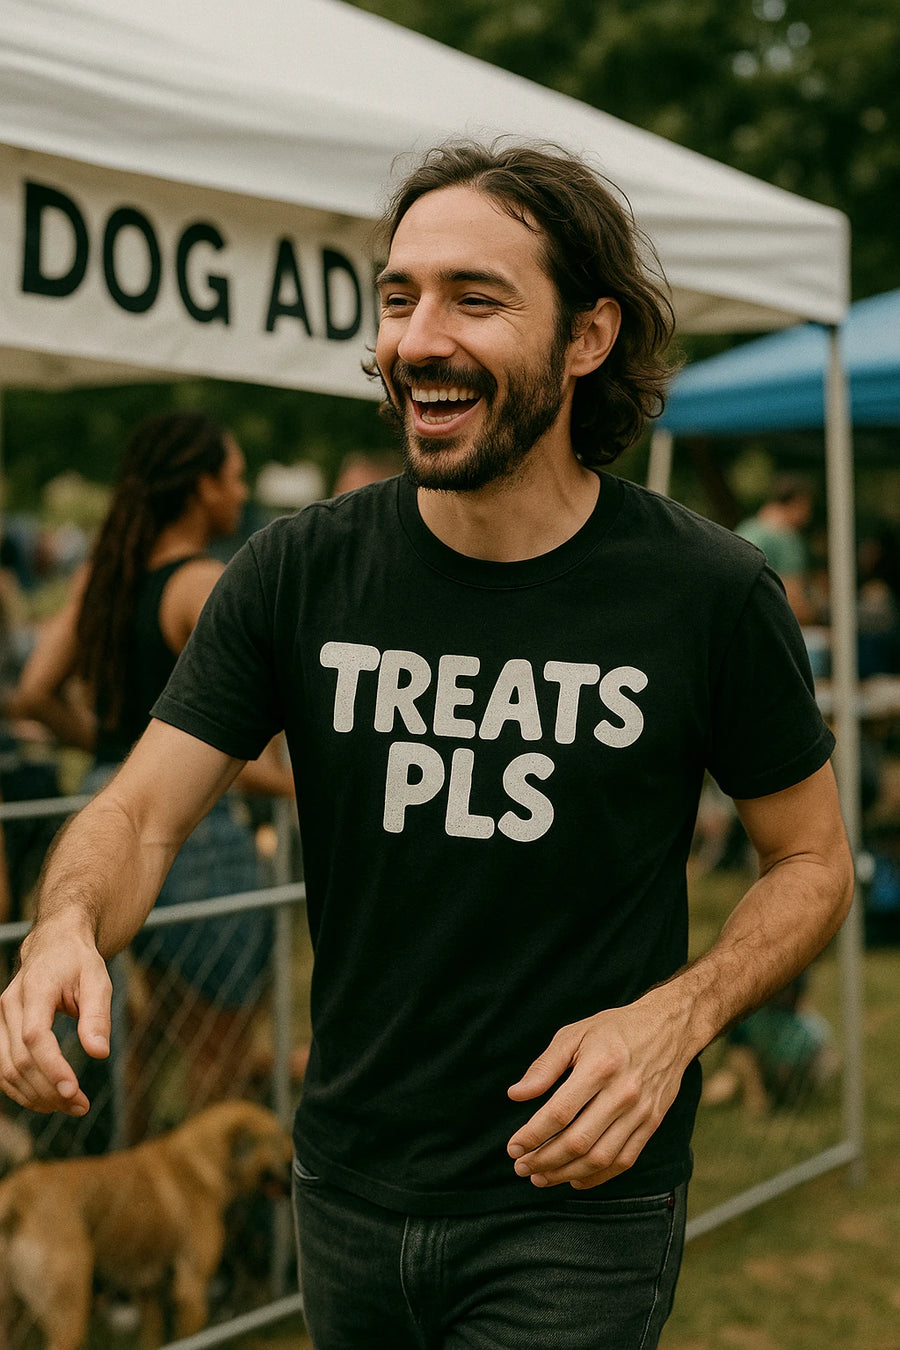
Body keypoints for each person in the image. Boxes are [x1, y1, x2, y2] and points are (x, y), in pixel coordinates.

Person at [0, 142, 853, 1349]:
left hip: (577, 1200)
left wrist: (676, 1019)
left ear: (587, 336)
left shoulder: (707, 593)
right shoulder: (299, 570)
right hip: (346, 1185)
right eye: (399, 297)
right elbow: (137, 814)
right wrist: (62, 929)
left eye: (475, 297)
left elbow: (812, 858)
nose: (416, 338)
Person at [6, 412, 294, 1133]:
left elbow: (35, 691)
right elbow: (217, 752)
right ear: (200, 489)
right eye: (232, 477)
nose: (241, 490)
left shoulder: (103, 579)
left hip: (92, 814)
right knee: (220, 1036)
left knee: (141, 1030)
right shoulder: (202, 581)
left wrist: (115, 751)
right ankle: (204, 1196)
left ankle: (128, 1169)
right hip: (190, 839)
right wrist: (292, 784)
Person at [735, 473, 818, 624]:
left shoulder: (745, 528)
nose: (809, 515)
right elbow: (794, 602)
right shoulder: (786, 537)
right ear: (798, 502)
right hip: (765, 626)